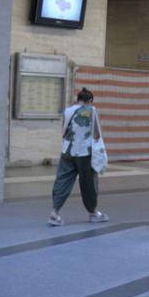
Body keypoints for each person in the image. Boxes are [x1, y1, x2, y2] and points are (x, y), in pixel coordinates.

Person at [49, 87, 108, 226]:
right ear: (90, 100)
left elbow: (64, 130)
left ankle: (54, 213)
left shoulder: (68, 110)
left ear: (78, 99)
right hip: (85, 153)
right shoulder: (91, 110)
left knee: (62, 180)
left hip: (67, 150)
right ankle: (93, 213)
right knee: (89, 183)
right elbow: (96, 133)